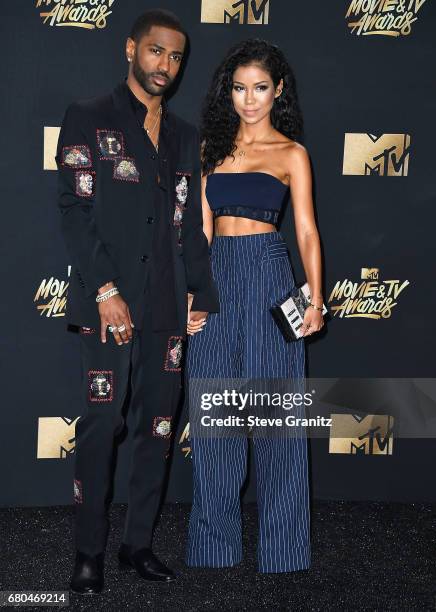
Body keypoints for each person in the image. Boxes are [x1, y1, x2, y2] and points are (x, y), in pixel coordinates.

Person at [56, 9, 219, 594]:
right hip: (109, 305)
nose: (165, 67)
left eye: (176, 58)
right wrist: (103, 290)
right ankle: (88, 551)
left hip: (168, 306)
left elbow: (190, 228)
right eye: (156, 52)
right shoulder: (88, 117)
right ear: (131, 49)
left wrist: (201, 290)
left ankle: (137, 544)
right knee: (103, 424)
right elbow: (75, 211)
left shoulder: (185, 137)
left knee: (158, 427)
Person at [185, 38, 324, 574]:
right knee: (215, 416)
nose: (249, 100)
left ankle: (285, 549)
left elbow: (308, 230)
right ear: (228, 92)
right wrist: (194, 292)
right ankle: (213, 548)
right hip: (218, 272)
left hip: (271, 274)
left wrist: (313, 297)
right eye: (240, 88)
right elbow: (199, 229)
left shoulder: (292, 154)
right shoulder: (210, 150)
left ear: (278, 91)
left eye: (260, 88)